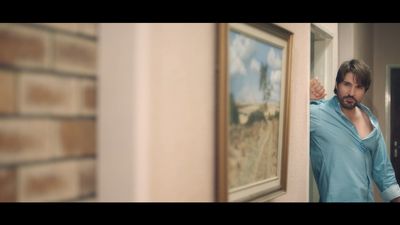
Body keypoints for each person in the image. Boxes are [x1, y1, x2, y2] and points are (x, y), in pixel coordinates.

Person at [310, 59, 400, 202]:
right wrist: (303, 94)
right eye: (347, 84)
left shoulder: (371, 119)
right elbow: (283, 115)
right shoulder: (316, 113)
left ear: (365, 90)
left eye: (359, 87)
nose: (351, 92)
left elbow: (383, 170)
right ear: (337, 84)